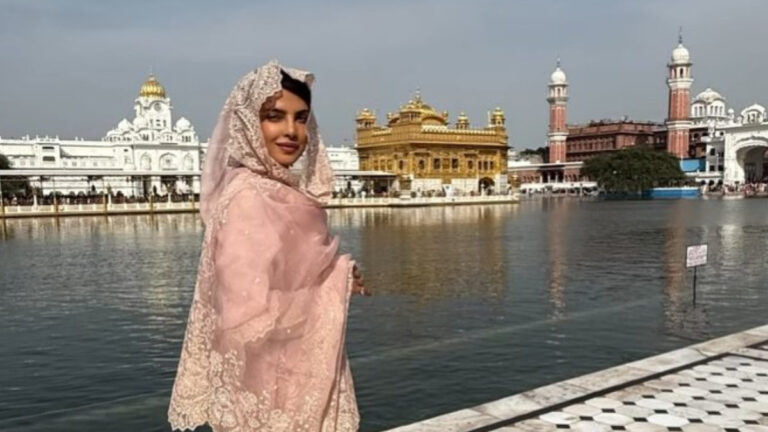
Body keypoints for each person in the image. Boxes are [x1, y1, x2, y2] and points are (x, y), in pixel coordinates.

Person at [168, 60, 368, 432]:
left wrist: (333, 274)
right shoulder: (248, 198)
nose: (292, 131)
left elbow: (284, 279)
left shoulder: (278, 192)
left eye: (301, 118)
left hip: (280, 388)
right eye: (275, 116)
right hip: (268, 399)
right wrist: (332, 285)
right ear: (247, 122)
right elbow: (246, 319)